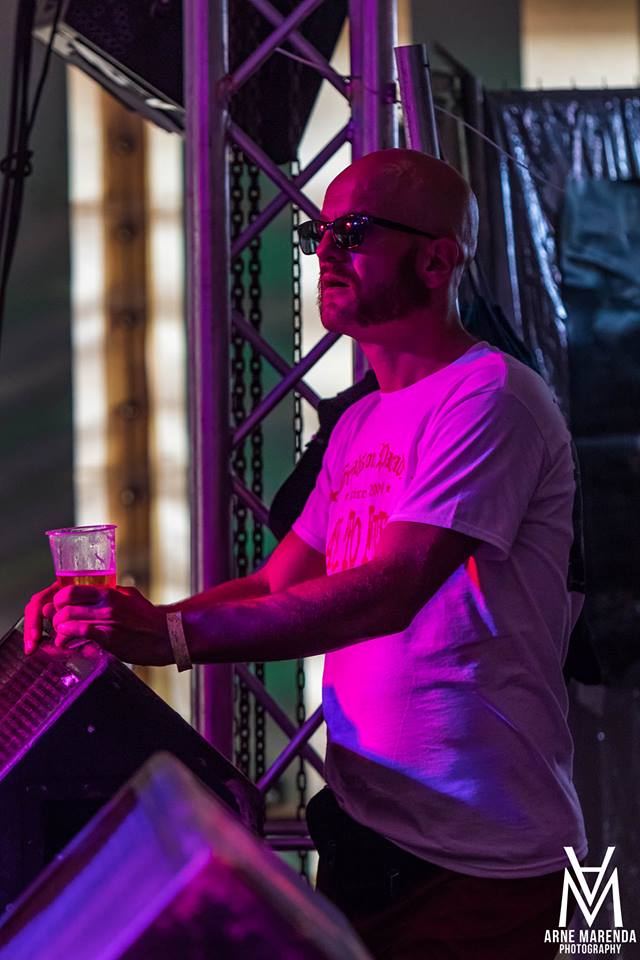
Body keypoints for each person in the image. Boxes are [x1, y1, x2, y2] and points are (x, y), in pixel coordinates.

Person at [25, 149, 586, 958]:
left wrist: (171, 637)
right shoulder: (361, 421)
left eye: (351, 232)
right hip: (370, 829)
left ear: (436, 260)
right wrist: (133, 619)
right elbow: (273, 582)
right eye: (316, 232)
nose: (324, 251)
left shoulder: (490, 395)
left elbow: (393, 588)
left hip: (484, 856)